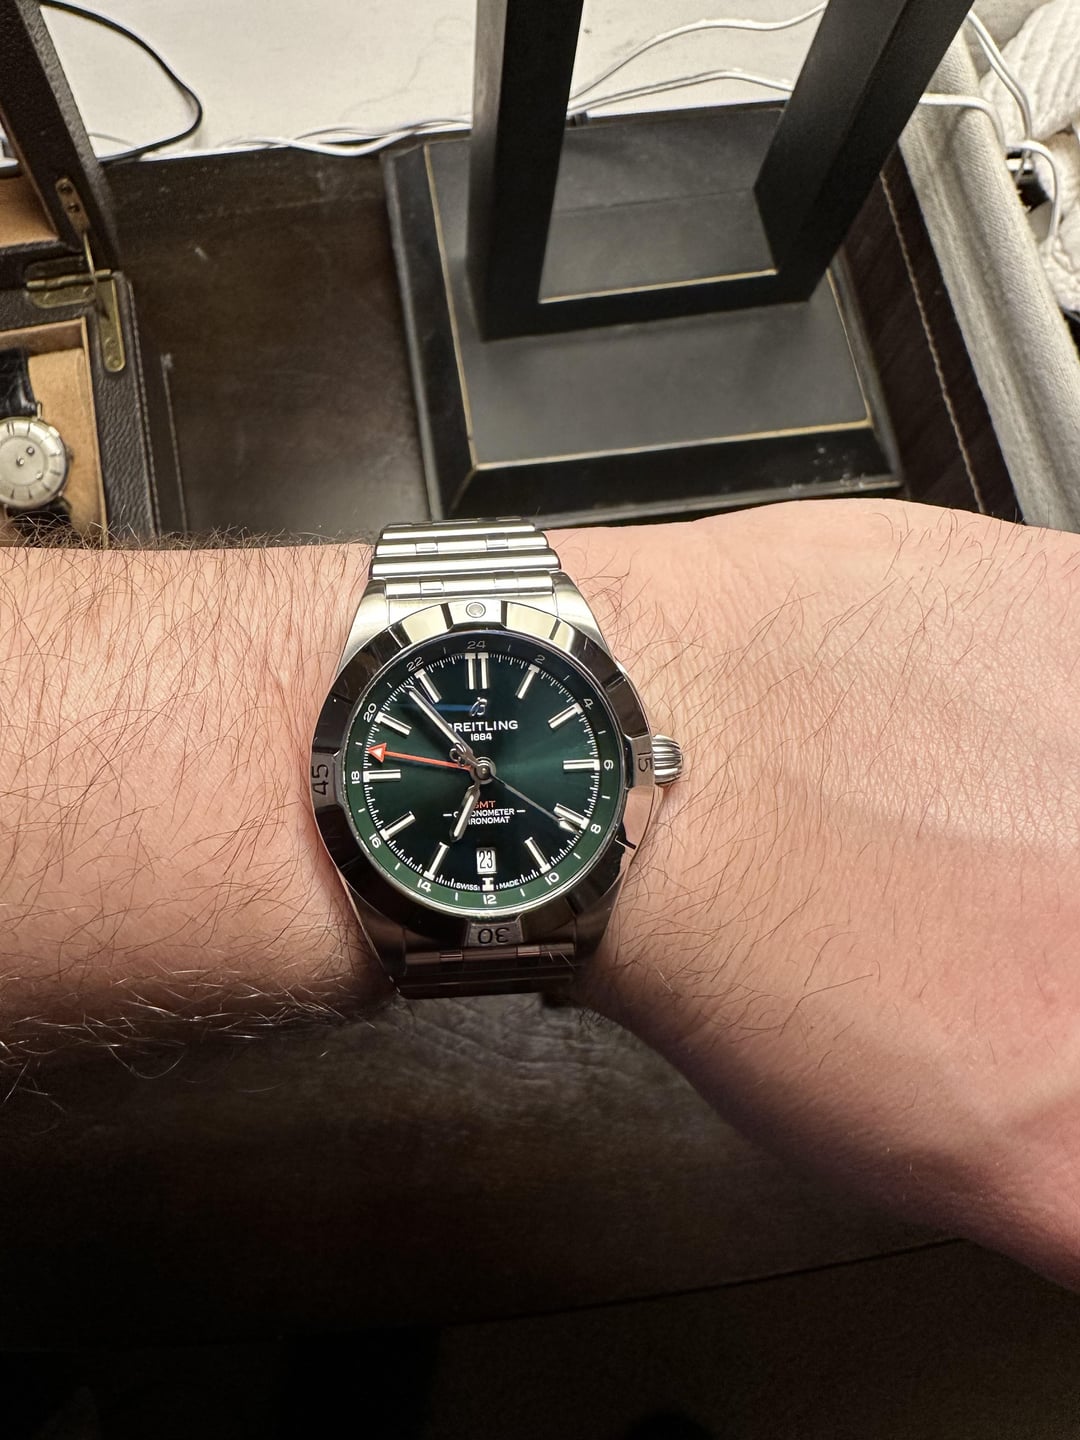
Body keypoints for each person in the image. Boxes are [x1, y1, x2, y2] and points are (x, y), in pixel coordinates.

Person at [2, 496, 1078, 1290]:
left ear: (648, 762)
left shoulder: (597, 769)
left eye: (489, 765)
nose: (481, 770)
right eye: (470, 765)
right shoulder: (441, 766)